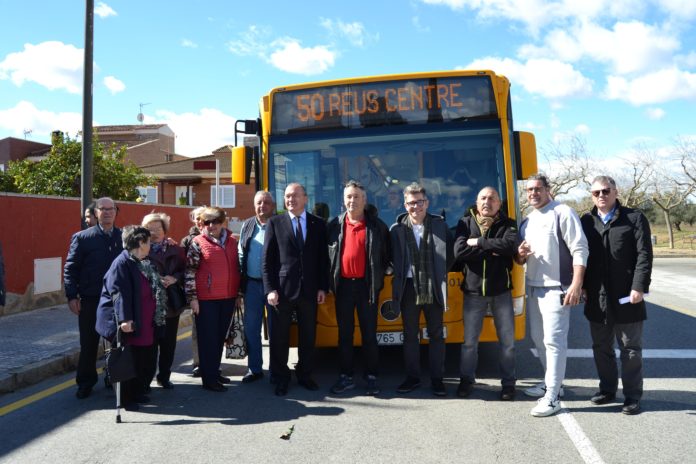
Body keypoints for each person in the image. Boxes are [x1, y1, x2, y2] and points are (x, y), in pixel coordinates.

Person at [515, 174, 588, 417]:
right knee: (538, 340)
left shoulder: (563, 212)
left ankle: (553, 396)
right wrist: (521, 254)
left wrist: (577, 284)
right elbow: (520, 258)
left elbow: (580, 248)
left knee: (554, 343)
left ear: (548, 189)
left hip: (557, 289)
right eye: (529, 190)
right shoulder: (527, 220)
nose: (533, 193)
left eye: (537, 189)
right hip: (533, 288)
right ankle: (551, 384)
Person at [581, 175, 653, 415]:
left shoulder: (634, 218)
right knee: (601, 347)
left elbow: (644, 255)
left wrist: (639, 286)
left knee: (630, 349)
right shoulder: (586, 221)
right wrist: (579, 284)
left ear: (615, 192)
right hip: (597, 296)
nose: (601, 196)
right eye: (596, 193)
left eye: (606, 191)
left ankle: (632, 396)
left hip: (626, 295)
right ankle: (607, 389)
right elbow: (578, 256)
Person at [263, 182, 329, 396]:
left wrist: (322, 287)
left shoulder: (318, 224)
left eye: (295, 196)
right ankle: (281, 377)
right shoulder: (275, 223)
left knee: (308, 337)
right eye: (287, 196)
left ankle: (305, 375)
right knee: (280, 337)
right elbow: (267, 261)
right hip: (282, 291)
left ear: (305, 198)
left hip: (309, 291)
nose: (290, 200)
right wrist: (270, 289)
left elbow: (322, 259)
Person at [454, 187, 520, 400]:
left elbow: (510, 246)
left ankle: (508, 385)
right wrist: (493, 250)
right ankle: (466, 381)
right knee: (469, 343)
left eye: (492, 198)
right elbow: (460, 251)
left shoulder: (509, 224)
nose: (487, 202)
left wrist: (480, 243)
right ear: (476, 201)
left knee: (507, 343)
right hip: (473, 293)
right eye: (483, 198)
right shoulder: (465, 223)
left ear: (499, 204)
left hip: (501, 292)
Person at [327, 180, 390, 396]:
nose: (352, 201)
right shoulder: (334, 225)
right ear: (343, 201)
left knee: (369, 335)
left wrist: (382, 275)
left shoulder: (377, 226)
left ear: (364, 200)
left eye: (356, 197)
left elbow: (387, 256)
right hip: (343, 287)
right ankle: (346, 377)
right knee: (344, 335)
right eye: (348, 197)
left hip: (367, 287)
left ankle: (371, 377)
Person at [391, 182, 453, 396]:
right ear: (405, 204)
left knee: (436, 334)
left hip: (433, 286)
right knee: (410, 335)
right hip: (408, 288)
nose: (415, 206)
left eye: (419, 202)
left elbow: (450, 254)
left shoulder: (439, 226)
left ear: (426, 203)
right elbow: (392, 258)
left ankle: (437, 379)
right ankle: (413, 378)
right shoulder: (397, 229)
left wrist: (439, 274)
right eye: (410, 203)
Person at [96, 225, 167, 411]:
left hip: (143, 320)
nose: (150, 245)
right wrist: (124, 320)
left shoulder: (141, 260)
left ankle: (138, 391)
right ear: (141, 243)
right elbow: (119, 293)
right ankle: (126, 399)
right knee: (126, 360)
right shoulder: (122, 263)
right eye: (148, 242)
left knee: (141, 358)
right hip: (122, 321)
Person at [64, 197, 123, 399]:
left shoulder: (124, 237)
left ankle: (115, 378)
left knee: (118, 343)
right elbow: (71, 269)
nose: (107, 212)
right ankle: (86, 382)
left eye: (111, 209)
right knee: (88, 344)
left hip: (118, 301)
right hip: (91, 300)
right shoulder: (82, 238)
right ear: (96, 213)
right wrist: (72, 296)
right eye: (102, 209)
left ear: (116, 211)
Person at [185, 207, 241, 392]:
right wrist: (192, 299)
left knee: (219, 338)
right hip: (206, 299)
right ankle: (208, 379)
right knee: (207, 339)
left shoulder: (233, 242)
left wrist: (238, 294)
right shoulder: (197, 242)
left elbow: (237, 269)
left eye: (215, 222)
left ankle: (214, 372)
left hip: (228, 297)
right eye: (207, 222)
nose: (211, 226)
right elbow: (190, 272)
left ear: (222, 222)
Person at [142, 212, 186, 389]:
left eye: (158, 228)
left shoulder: (174, 248)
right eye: (150, 229)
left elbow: (186, 270)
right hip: (149, 304)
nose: (154, 232)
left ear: (164, 230)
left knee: (168, 344)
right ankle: (146, 379)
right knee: (150, 346)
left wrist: (174, 278)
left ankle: (164, 376)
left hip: (170, 304)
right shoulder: (140, 249)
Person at [238, 191, 276, 384]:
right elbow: (240, 255)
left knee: (276, 329)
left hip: (274, 288)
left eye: (267, 203)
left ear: (273, 206)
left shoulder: (280, 224)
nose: (263, 206)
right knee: (252, 330)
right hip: (251, 286)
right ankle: (254, 369)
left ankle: (277, 369)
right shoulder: (247, 225)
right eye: (259, 203)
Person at [180, 206, 206, 377]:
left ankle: (212, 362)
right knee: (197, 330)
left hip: (213, 291)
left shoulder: (217, 235)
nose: (199, 220)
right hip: (195, 291)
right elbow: (184, 267)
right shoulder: (187, 241)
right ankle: (198, 363)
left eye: (202, 217)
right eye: (196, 217)